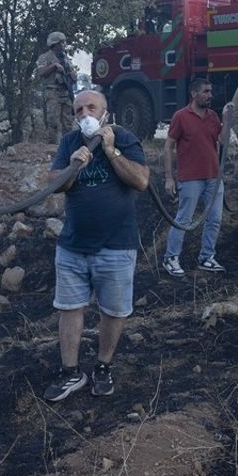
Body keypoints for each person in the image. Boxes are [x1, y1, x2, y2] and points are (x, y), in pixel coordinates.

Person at [43, 90, 149, 402]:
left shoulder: (124, 137)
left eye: (91, 107)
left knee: (113, 311)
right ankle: (71, 372)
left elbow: (141, 181)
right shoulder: (68, 142)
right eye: (79, 110)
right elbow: (54, 185)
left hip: (116, 245)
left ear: (105, 112)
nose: (85, 114)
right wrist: (72, 167)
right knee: (70, 308)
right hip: (73, 245)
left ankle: (103, 366)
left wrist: (111, 150)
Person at [162, 78, 225, 277]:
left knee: (214, 219)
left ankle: (207, 257)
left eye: (210, 91)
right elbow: (168, 146)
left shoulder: (213, 116)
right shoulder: (181, 116)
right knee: (184, 220)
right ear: (194, 94)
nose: (210, 95)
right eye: (205, 91)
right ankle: (170, 258)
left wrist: (228, 119)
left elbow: (222, 141)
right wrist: (169, 178)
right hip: (190, 178)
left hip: (214, 177)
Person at [34, 31, 77, 144]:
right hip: (53, 92)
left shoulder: (66, 58)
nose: (64, 44)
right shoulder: (45, 57)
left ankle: (68, 146)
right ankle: (52, 146)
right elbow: (41, 72)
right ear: (55, 44)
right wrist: (53, 66)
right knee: (53, 122)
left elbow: (73, 77)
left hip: (66, 92)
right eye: (62, 42)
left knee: (68, 123)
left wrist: (72, 73)